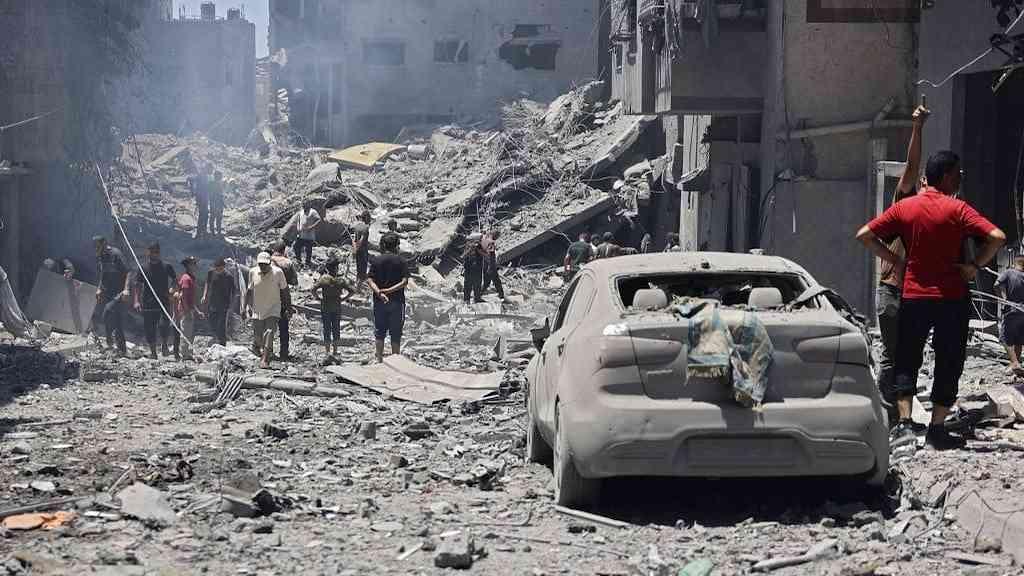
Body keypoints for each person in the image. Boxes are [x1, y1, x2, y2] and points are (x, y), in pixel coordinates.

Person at [857, 150, 1006, 451]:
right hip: (952, 298)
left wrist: (895, 260)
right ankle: (936, 429)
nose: (960, 178)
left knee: (906, 358)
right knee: (949, 360)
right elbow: (997, 236)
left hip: (914, 295)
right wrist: (974, 266)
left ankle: (905, 425)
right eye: (958, 173)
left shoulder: (906, 207)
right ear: (947, 176)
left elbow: (864, 234)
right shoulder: (958, 209)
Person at [875, 104, 930, 425]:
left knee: (908, 357)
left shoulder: (943, 216)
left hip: (917, 297)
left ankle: (900, 416)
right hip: (894, 292)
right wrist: (917, 128)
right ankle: (890, 417)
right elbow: (911, 167)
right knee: (892, 356)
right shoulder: (907, 204)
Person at [368, 232, 409, 363]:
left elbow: (369, 280)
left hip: (379, 302)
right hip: (397, 302)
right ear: (396, 246)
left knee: (380, 332)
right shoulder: (401, 261)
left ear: (383, 245)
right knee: (395, 334)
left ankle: (379, 360)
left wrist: (380, 293)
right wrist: (389, 291)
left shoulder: (376, 260)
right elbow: (404, 282)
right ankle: (395, 361)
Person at [246, 251, 290, 369]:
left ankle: (265, 359)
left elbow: (285, 290)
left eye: (265, 264)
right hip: (258, 309)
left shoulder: (278, 272)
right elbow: (249, 290)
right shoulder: (253, 272)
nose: (263, 267)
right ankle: (259, 347)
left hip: (273, 308)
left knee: (269, 332)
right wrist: (245, 306)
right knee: (258, 335)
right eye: (261, 264)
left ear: (269, 263)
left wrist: (288, 307)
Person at [133, 242, 176, 360]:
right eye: (152, 252)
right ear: (148, 252)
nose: (154, 254)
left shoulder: (167, 266)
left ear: (159, 253)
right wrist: (136, 301)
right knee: (149, 328)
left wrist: (172, 289)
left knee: (164, 324)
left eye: (156, 252)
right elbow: (137, 285)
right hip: (148, 302)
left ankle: (164, 343)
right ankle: (153, 353)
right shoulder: (143, 268)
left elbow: (174, 280)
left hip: (163, 301)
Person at [92, 237, 130, 356]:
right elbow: (103, 273)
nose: (96, 248)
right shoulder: (101, 257)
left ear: (104, 243)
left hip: (119, 293)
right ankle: (122, 350)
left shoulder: (116, 254)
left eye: (98, 246)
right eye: (95, 246)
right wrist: (99, 288)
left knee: (107, 312)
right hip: (107, 292)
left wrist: (126, 289)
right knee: (117, 321)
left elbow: (128, 272)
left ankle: (109, 340)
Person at [313, 257, 353, 358]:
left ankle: (327, 351)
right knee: (336, 328)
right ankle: (335, 351)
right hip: (336, 306)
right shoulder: (340, 280)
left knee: (326, 328)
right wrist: (344, 299)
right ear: (336, 268)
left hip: (325, 305)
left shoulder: (324, 278)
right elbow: (352, 291)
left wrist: (318, 298)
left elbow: (313, 289)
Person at [173, 257, 204, 361]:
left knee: (189, 331)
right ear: (189, 265)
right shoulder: (186, 278)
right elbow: (184, 295)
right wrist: (186, 310)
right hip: (185, 310)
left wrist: (197, 311)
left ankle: (187, 353)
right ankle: (184, 354)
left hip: (189, 309)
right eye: (193, 263)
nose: (195, 265)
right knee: (185, 331)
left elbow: (191, 298)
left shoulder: (191, 278)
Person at [997, 256, 1024, 375]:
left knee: (1005, 338)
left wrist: (1003, 299)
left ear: (1014, 263)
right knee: (1019, 339)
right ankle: (1015, 366)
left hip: (1011, 310)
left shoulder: (1009, 272)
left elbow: (996, 285)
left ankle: (1015, 363)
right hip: (1023, 312)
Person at [271, 242, 298, 361]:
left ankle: (268, 352)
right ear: (284, 250)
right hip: (282, 298)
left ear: (274, 250)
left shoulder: (266, 261)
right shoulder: (288, 262)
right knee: (283, 328)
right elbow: (294, 282)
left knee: (268, 327)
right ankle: (284, 353)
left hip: (267, 298)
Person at [202, 258, 235, 347]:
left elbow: (234, 291)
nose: (217, 270)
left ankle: (222, 343)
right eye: (216, 268)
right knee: (212, 321)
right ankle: (215, 338)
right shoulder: (211, 273)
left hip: (224, 304)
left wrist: (232, 304)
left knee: (221, 324)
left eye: (219, 268)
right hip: (213, 302)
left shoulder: (229, 276)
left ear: (223, 267)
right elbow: (207, 283)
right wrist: (204, 295)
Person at [294, 200, 321, 267]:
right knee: (296, 246)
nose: (304, 206)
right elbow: (298, 220)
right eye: (303, 204)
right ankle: (299, 261)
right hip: (301, 234)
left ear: (309, 204)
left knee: (308, 250)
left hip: (309, 235)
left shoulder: (313, 211)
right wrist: (298, 228)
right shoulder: (301, 212)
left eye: (305, 204)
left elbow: (318, 220)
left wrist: (311, 227)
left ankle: (307, 263)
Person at [480, 230, 505, 300]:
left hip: (485, 263)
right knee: (497, 281)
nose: (497, 238)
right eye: (497, 236)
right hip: (490, 265)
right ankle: (502, 296)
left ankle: (478, 294)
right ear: (494, 235)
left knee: (486, 282)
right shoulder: (491, 243)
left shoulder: (484, 239)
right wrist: (491, 267)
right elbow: (491, 256)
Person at [462, 233, 485, 304]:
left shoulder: (480, 246)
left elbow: (484, 254)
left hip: (477, 269)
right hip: (469, 269)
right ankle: (466, 299)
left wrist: (478, 250)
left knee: (477, 284)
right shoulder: (468, 246)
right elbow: (463, 256)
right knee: (468, 284)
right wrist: (470, 249)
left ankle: (477, 298)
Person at [190, 164, 211, 238]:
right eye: (210, 169)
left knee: (204, 215)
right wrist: (195, 194)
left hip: (203, 199)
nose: (211, 171)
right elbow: (193, 182)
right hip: (202, 199)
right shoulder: (202, 176)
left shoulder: (203, 176)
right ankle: (200, 232)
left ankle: (202, 231)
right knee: (203, 215)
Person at [352, 211, 372, 284]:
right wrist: (358, 248)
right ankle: (359, 286)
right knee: (363, 270)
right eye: (369, 218)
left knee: (358, 268)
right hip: (363, 250)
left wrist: (355, 249)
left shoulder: (357, 226)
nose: (370, 220)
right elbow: (361, 239)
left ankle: (357, 283)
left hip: (357, 250)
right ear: (366, 218)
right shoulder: (366, 227)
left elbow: (354, 240)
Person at [209, 171, 226, 237]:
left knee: (217, 218)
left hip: (218, 204)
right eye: (220, 176)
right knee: (214, 217)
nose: (221, 177)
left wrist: (223, 204)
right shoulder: (213, 184)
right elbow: (212, 195)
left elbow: (220, 195)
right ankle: (214, 231)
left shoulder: (217, 184)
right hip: (215, 203)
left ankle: (216, 231)